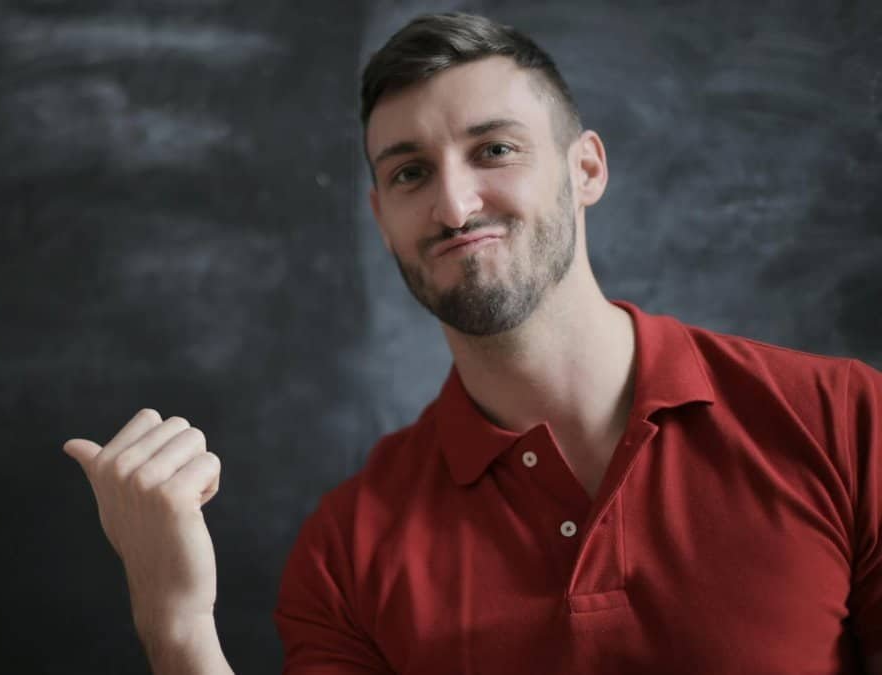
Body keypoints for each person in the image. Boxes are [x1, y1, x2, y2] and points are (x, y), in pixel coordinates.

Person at [63, 12, 882, 674]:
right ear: (381, 216)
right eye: (410, 173)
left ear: (586, 169)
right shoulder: (347, 552)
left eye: (494, 150)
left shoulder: (845, 420)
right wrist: (176, 627)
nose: (454, 206)